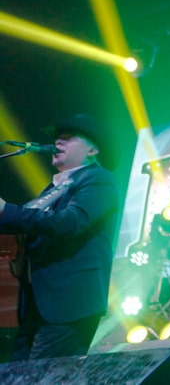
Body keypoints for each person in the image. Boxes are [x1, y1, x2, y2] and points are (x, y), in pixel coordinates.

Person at [0, 113, 122, 361]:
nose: (58, 142)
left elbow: (70, 222)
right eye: (57, 138)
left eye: (67, 138)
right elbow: (27, 225)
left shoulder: (100, 180)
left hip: (69, 303)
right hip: (37, 304)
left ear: (93, 149)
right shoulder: (52, 189)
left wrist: (5, 210)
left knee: (42, 377)